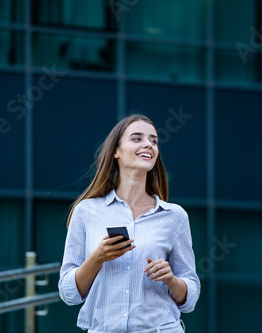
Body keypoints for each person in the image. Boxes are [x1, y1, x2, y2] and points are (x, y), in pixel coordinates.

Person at [58, 114, 200, 333]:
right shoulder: (86, 211)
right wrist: (97, 258)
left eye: (153, 141)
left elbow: (189, 297)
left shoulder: (175, 216)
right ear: (116, 151)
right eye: (137, 138)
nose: (148, 145)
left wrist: (171, 279)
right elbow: (69, 294)